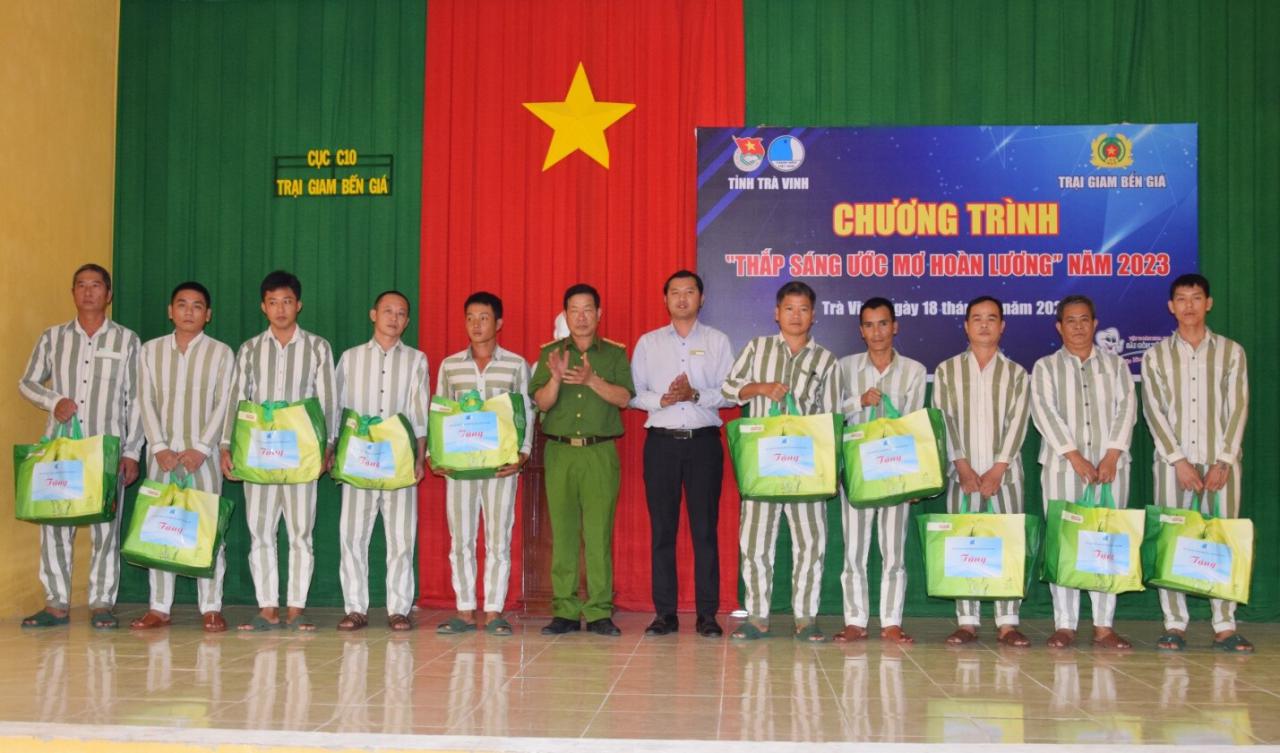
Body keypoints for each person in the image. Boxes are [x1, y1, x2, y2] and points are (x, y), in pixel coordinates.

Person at [18, 263, 143, 629]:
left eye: (96, 285)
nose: (88, 291)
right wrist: (54, 400)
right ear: (73, 292)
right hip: (62, 451)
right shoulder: (53, 337)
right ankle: (56, 604)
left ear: (109, 294)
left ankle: (102, 604)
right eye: (81, 285)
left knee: (106, 529)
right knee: (55, 526)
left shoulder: (127, 340)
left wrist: (131, 451)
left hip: (106, 450)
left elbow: (136, 400)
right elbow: (26, 382)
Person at [721, 280, 841, 642]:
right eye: (789, 308)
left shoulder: (826, 360)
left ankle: (806, 618)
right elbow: (728, 389)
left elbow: (831, 418)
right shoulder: (757, 348)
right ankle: (757, 617)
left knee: (811, 544)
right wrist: (761, 388)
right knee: (755, 542)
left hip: (807, 466)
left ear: (813, 315)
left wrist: (830, 470)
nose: (796, 316)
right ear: (777, 313)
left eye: (803, 309)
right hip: (764, 463)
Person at [221, 270, 337, 632]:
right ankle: (268, 608)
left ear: (298, 305)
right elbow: (236, 399)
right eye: (273, 302)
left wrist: (328, 445)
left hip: (302, 455)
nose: (280, 309)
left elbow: (328, 400)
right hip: (259, 454)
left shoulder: (317, 347)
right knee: (260, 531)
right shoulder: (249, 349)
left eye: (287, 301)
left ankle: (296, 609)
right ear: (263, 307)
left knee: (301, 532)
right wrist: (226, 445)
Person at [1141, 273, 1251, 652]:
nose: (1189, 305)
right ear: (1171, 306)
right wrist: (1178, 461)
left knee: (1221, 542)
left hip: (1222, 467)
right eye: (1182, 299)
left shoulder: (1231, 352)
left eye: (1196, 297)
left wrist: (1224, 460)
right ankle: (1175, 623)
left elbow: (1238, 407)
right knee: (1173, 541)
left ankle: (1224, 624)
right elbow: (1154, 411)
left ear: (1209, 303)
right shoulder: (1155, 356)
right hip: (1174, 467)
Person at [630, 270, 733, 638]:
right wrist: (663, 399)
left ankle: (707, 615)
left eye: (690, 291)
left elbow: (731, 393)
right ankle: (665, 614)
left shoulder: (718, 341)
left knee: (705, 531)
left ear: (701, 299)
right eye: (675, 292)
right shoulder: (648, 343)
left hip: (704, 443)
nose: (682, 298)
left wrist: (695, 394)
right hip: (662, 444)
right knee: (663, 531)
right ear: (666, 300)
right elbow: (634, 393)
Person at [1030, 294, 1136, 649]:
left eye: (1084, 320)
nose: (1078, 327)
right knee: (1065, 543)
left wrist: (1112, 455)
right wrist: (1075, 457)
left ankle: (1104, 625)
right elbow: (1044, 412)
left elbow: (1127, 409)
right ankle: (1065, 624)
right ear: (1059, 327)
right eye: (1070, 321)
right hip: (1063, 468)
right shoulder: (1045, 367)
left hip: (1110, 469)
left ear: (1095, 324)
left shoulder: (1116, 366)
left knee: (1106, 542)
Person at [531, 284, 635, 636]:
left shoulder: (614, 354)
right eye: (574, 310)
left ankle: (599, 611)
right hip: (560, 452)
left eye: (588, 309)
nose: (581, 317)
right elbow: (542, 403)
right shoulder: (550, 353)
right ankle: (564, 610)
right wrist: (555, 378)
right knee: (562, 533)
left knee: (597, 533)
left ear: (599, 314)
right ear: (565, 315)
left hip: (599, 452)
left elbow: (624, 399)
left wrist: (592, 380)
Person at [132, 281, 236, 632]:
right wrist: (159, 447)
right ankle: (159, 607)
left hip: (203, 459)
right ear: (170, 311)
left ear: (208, 314)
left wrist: (202, 448)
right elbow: (144, 400)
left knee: (208, 529)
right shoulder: (150, 351)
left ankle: (211, 606)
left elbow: (225, 403)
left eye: (197, 306)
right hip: (161, 457)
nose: (189, 311)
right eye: (182, 304)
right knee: (159, 528)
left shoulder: (221, 353)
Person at [931, 295, 1031, 647]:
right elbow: (943, 419)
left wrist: (998, 468)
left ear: (1002, 325)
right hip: (963, 476)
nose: (984, 324)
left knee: (1007, 545)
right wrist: (961, 464)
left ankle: (1008, 621)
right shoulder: (947, 370)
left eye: (991, 318)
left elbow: (1018, 423)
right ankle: (967, 620)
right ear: (966, 326)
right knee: (965, 545)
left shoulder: (1016, 373)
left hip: (1005, 476)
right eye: (977, 318)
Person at [432, 291, 533, 636]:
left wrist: (523, 453)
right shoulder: (450, 366)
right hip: (459, 468)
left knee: (498, 538)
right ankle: (463, 610)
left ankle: (493, 611)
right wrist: (435, 456)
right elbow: (440, 410)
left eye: (484, 318)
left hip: (501, 466)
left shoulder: (516, 365)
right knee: (460, 539)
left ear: (498, 323)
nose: (476, 325)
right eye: (470, 318)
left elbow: (526, 411)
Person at [334, 290, 429, 633]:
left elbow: (420, 414)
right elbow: (336, 409)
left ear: (407, 320)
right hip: (358, 458)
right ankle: (355, 608)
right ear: (373, 314)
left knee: (401, 538)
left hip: (399, 459)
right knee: (352, 536)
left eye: (401, 313)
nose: (394, 318)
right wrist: (334, 451)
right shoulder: (351, 358)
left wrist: (420, 458)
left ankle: (399, 609)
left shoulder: (417, 360)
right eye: (388, 311)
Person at [833, 297, 925, 645]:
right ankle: (855, 620)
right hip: (858, 472)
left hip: (896, 472)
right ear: (861, 331)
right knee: (854, 550)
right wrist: (859, 402)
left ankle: (891, 621)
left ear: (895, 326)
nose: (877, 332)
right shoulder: (845, 368)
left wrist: (913, 479)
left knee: (894, 551)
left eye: (883, 323)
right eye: (869, 325)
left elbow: (915, 426)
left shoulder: (914, 370)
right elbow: (830, 413)